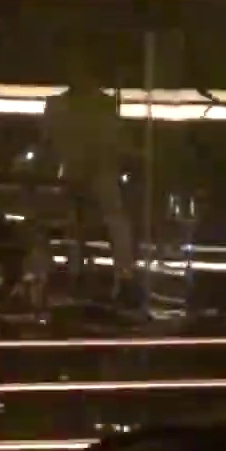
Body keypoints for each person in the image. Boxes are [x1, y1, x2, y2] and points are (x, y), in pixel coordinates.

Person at [43, 80, 137, 302]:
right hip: (74, 174)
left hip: (99, 173)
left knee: (113, 220)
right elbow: (50, 142)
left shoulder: (103, 105)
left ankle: (123, 276)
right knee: (74, 224)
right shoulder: (57, 105)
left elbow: (114, 142)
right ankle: (75, 272)